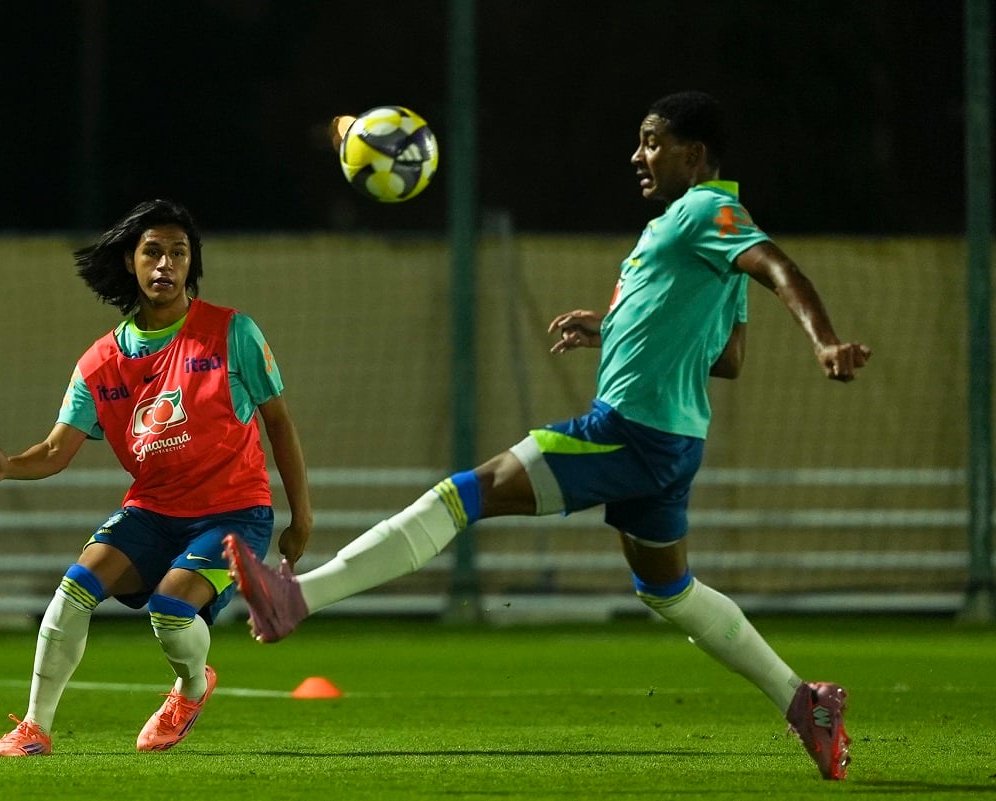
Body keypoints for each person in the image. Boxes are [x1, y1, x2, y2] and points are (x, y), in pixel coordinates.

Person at [224, 92, 869, 781]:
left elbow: (779, 266)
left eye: (652, 142)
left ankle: (299, 597)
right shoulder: (698, 234)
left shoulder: (708, 211)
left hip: (629, 430)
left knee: (461, 494)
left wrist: (824, 341)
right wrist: (614, 327)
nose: (638, 155)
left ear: (695, 154)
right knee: (669, 589)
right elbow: (729, 357)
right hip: (673, 443)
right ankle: (805, 702)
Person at [0, 198, 313, 757]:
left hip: (234, 512)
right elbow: (57, 450)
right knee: (70, 594)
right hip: (152, 511)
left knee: (171, 613)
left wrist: (302, 517)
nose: (165, 264)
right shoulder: (100, 362)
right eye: (152, 252)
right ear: (130, 262)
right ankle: (33, 728)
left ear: (190, 265)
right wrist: (9, 466)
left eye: (178, 253)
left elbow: (280, 424)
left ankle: (191, 687)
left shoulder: (232, 333)